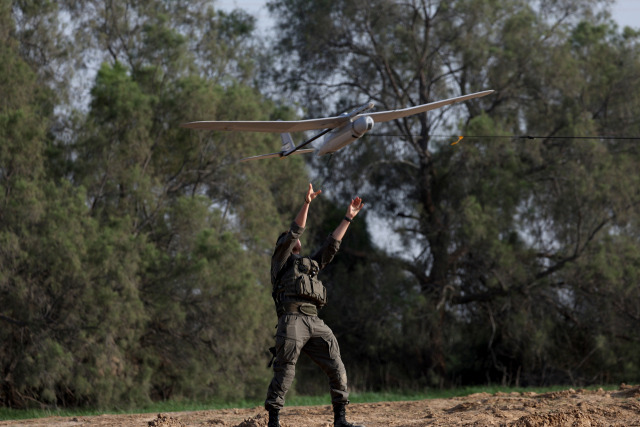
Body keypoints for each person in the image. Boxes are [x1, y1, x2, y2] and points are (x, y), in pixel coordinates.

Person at [265, 183, 365, 427]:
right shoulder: (281, 261)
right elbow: (296, 231)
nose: (294, 243)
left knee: (336, 365)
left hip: (314, 321)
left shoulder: (309, 265)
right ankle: (273, 421)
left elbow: (331, 246)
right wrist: (307, 202)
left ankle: (340, 420)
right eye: (288, 241)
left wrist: (348, 218)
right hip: (291, 320)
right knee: (285, 370)